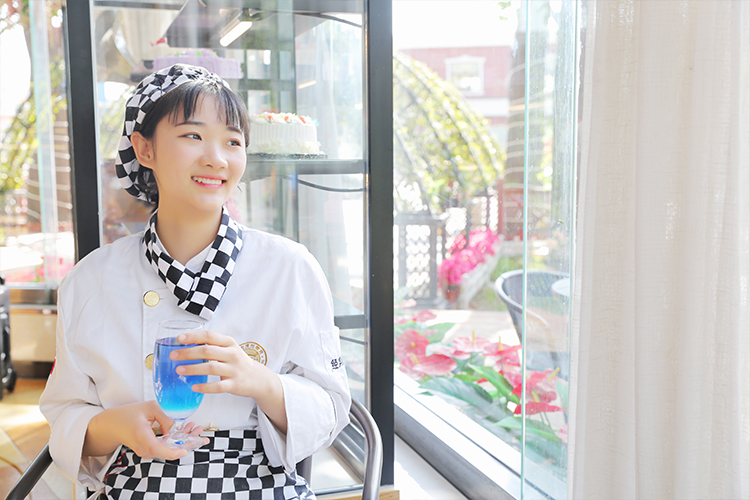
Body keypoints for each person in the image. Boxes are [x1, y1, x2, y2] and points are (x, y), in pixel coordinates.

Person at [39, 64, 351, 499]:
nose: (216, 158)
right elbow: (65, 415)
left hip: (259, 482)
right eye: (192, 135)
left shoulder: (290, 268)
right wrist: (119, 425)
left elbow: (331, 409)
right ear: (144, 149)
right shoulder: (91, 280)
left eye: (233, 141)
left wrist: (259, 380)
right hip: (137, 481)